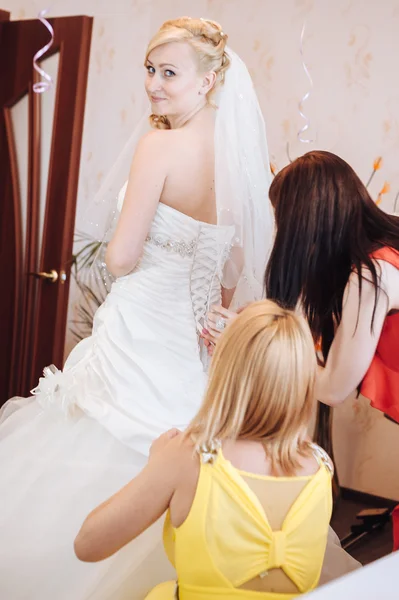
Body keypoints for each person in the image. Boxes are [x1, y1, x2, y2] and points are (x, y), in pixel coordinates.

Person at [0, 17, 274, 600]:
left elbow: (122, 257)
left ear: (208, 80)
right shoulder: (234, 161)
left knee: (85, 447)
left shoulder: (160, 146)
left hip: (137, 329)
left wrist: (131, 256)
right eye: (150, 70)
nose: (153, 83)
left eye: (169, 72)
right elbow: (231, 274)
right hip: (194, 348)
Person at [75, 300, 336, 599]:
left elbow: (88, 544)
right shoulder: (320, 466)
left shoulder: (190, 457)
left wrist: (157, 465)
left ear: (227, 371)